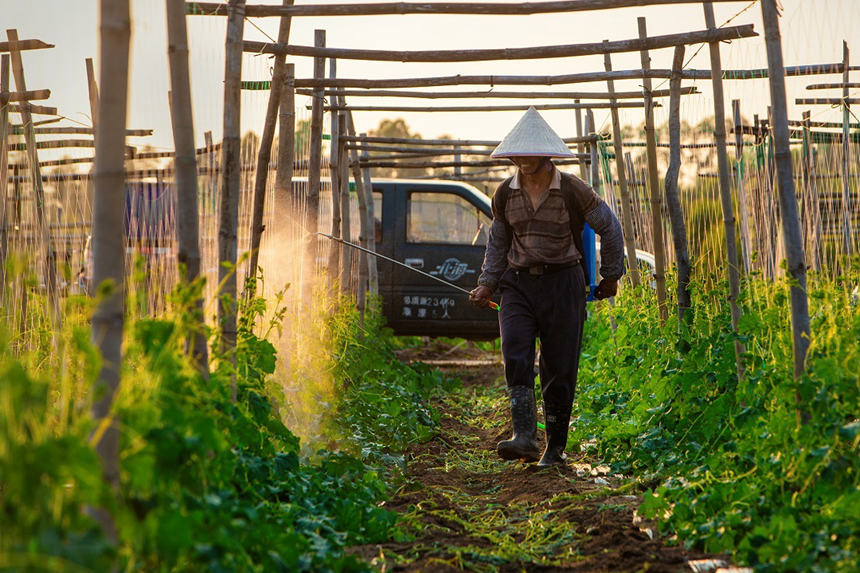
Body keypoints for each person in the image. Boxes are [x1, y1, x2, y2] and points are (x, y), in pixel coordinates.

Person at [469, 107, 625, 467]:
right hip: (519, 284)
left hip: (563, 283)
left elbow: (609, 227)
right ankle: (523, 436)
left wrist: (611, 276)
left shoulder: (572, 189)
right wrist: (487, 284)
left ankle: (554, 448)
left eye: (529, 154)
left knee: (559, 366)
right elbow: (499, 241)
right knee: (516, 352)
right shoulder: (505, 194)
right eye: (518, 155)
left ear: (545, 155)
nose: (523, 161)